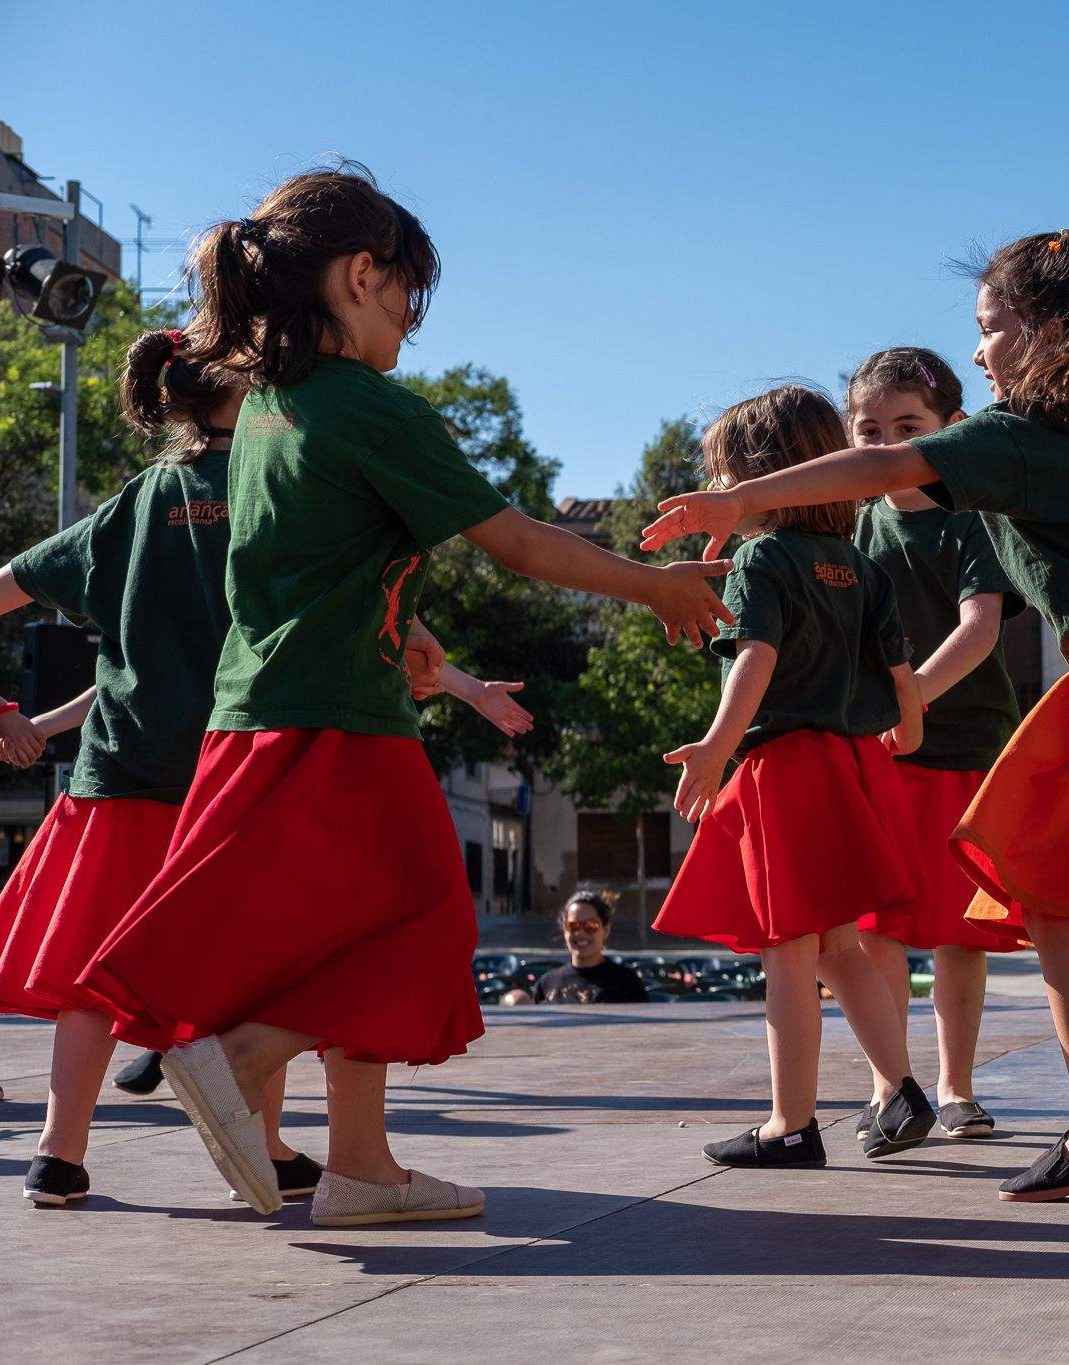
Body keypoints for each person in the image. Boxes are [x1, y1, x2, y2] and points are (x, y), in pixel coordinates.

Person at [77, 166, 733, 1226]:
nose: (409, 328)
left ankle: (362, 1170)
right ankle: (239, 1063)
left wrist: (412, 640)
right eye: (405, 302)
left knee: (363, 928)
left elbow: (315, 561)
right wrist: (654, 587)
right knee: (418, 914)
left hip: (266, 707)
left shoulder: (268, 413)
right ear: (359, 274)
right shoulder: (368, 408)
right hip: (339, 712)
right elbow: (515, 542)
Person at [642, 228, 1069, 1201]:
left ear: (1057, 331)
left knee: (1056, 901)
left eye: (991, 328)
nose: (979, 350)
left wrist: (737, 500)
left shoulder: (1024, 438)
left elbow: (877, 473)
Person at [0, 331, 323, 1208]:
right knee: (253, 969)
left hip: (122, 764)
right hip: (234, 770)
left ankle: (57, 1155)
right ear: (243, 400)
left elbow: (2, 588)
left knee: (91, 968)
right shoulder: (275, 491)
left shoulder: (138, 501)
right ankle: (268, 1144)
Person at [654, 385, 936, 1170]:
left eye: (722, 475)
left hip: (782, 770)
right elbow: (900, 668)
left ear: (763, 473)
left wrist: (716, 745)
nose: (719, 493)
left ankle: (790, 1121)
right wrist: (909, 727)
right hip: (848, 765)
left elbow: (756, 658)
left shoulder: (761, 558)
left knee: (789, 952)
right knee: (842, 947)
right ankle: (904, 1088)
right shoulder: (860, 564)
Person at [846, 347, 1020, 1143]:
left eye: (906, 426)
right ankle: (894, 1084)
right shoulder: (853, 523)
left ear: (950, 428)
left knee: (959, 932)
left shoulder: (972, 514)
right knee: (877, 927)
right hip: (881, 753)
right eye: (868, 428)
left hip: (964, 745)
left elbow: (980, 627)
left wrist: (911, 694)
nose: (885, 443)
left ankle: (955, 1085)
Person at [531, 894, 648, 1004]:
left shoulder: (627, 983)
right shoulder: (546, 983)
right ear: (565, 930)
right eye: (573, 926)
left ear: (606, 930)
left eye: (591, 926)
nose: (581, 933)